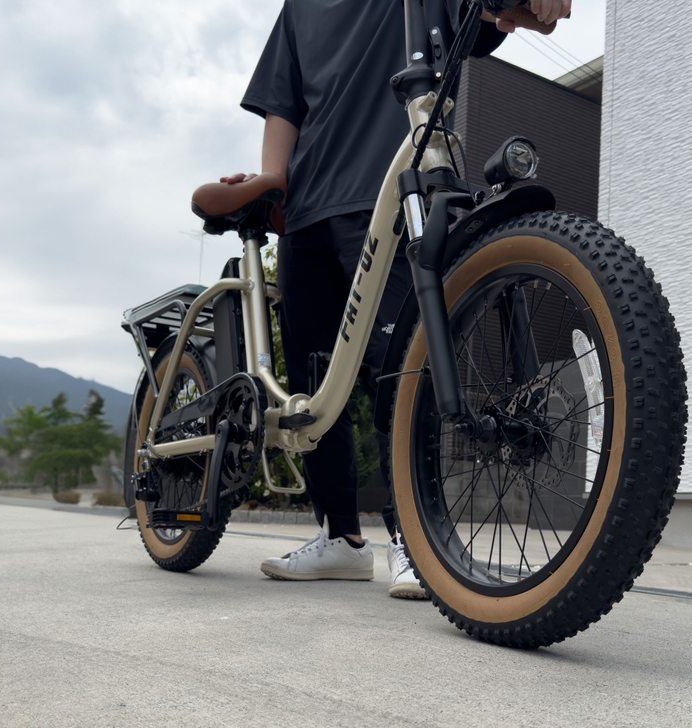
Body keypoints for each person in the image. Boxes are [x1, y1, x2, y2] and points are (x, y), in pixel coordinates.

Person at [223, 0, 572, 597]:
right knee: (312, 383)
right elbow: (283, 105)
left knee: (400, 369)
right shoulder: (300, 8)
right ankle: (339, 537)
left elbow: (494, 13)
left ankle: (414, 536)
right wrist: (272, 181)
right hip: (307, 212)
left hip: (395, 193)